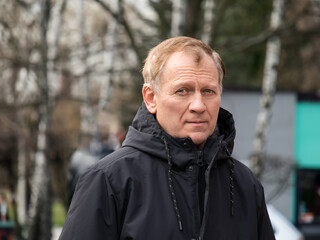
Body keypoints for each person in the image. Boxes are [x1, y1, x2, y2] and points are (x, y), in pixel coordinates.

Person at [59, 36, 275, 240]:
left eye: (208, 91)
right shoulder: (108, 181)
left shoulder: (245, 185)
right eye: (183, 91)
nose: (198, 105)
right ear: (151, 98)